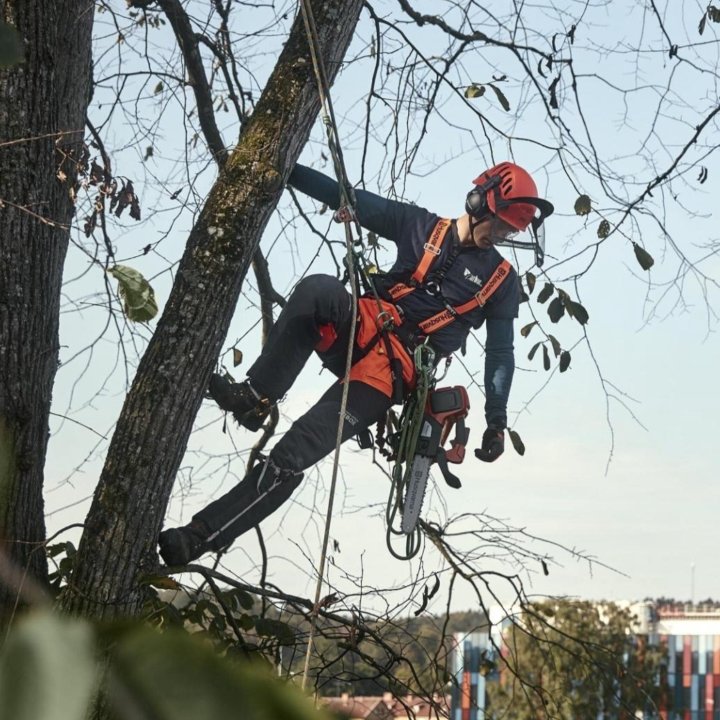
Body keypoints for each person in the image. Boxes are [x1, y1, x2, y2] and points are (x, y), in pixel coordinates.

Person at [158, 161, 554, 566]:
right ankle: (255, 397)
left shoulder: (502, 283)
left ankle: (198, 537)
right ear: (479, 202)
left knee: (293, 456)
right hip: (360, 326)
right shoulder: (418, 225)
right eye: (502, 225)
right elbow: (344, 195)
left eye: (511, 230)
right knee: (320, 290)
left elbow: (501, 354)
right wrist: (282, 164)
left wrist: (496, 420)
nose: (503, 235)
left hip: (389, 374)